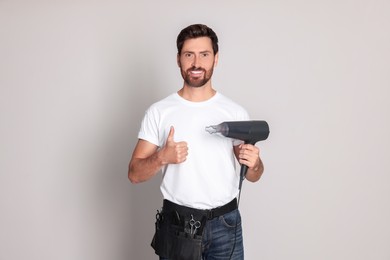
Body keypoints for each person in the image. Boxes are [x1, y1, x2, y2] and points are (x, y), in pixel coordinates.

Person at [128, 24, 264, 260]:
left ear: (216, 59)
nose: (196, 63)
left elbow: (253, 175)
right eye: (188, 54)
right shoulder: (159, 112)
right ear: (178, 59)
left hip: (226, 224)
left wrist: (255, 164)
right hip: (178, 224)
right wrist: (162, 157)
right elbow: (134, 174)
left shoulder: (235, 112)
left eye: (204, 54)